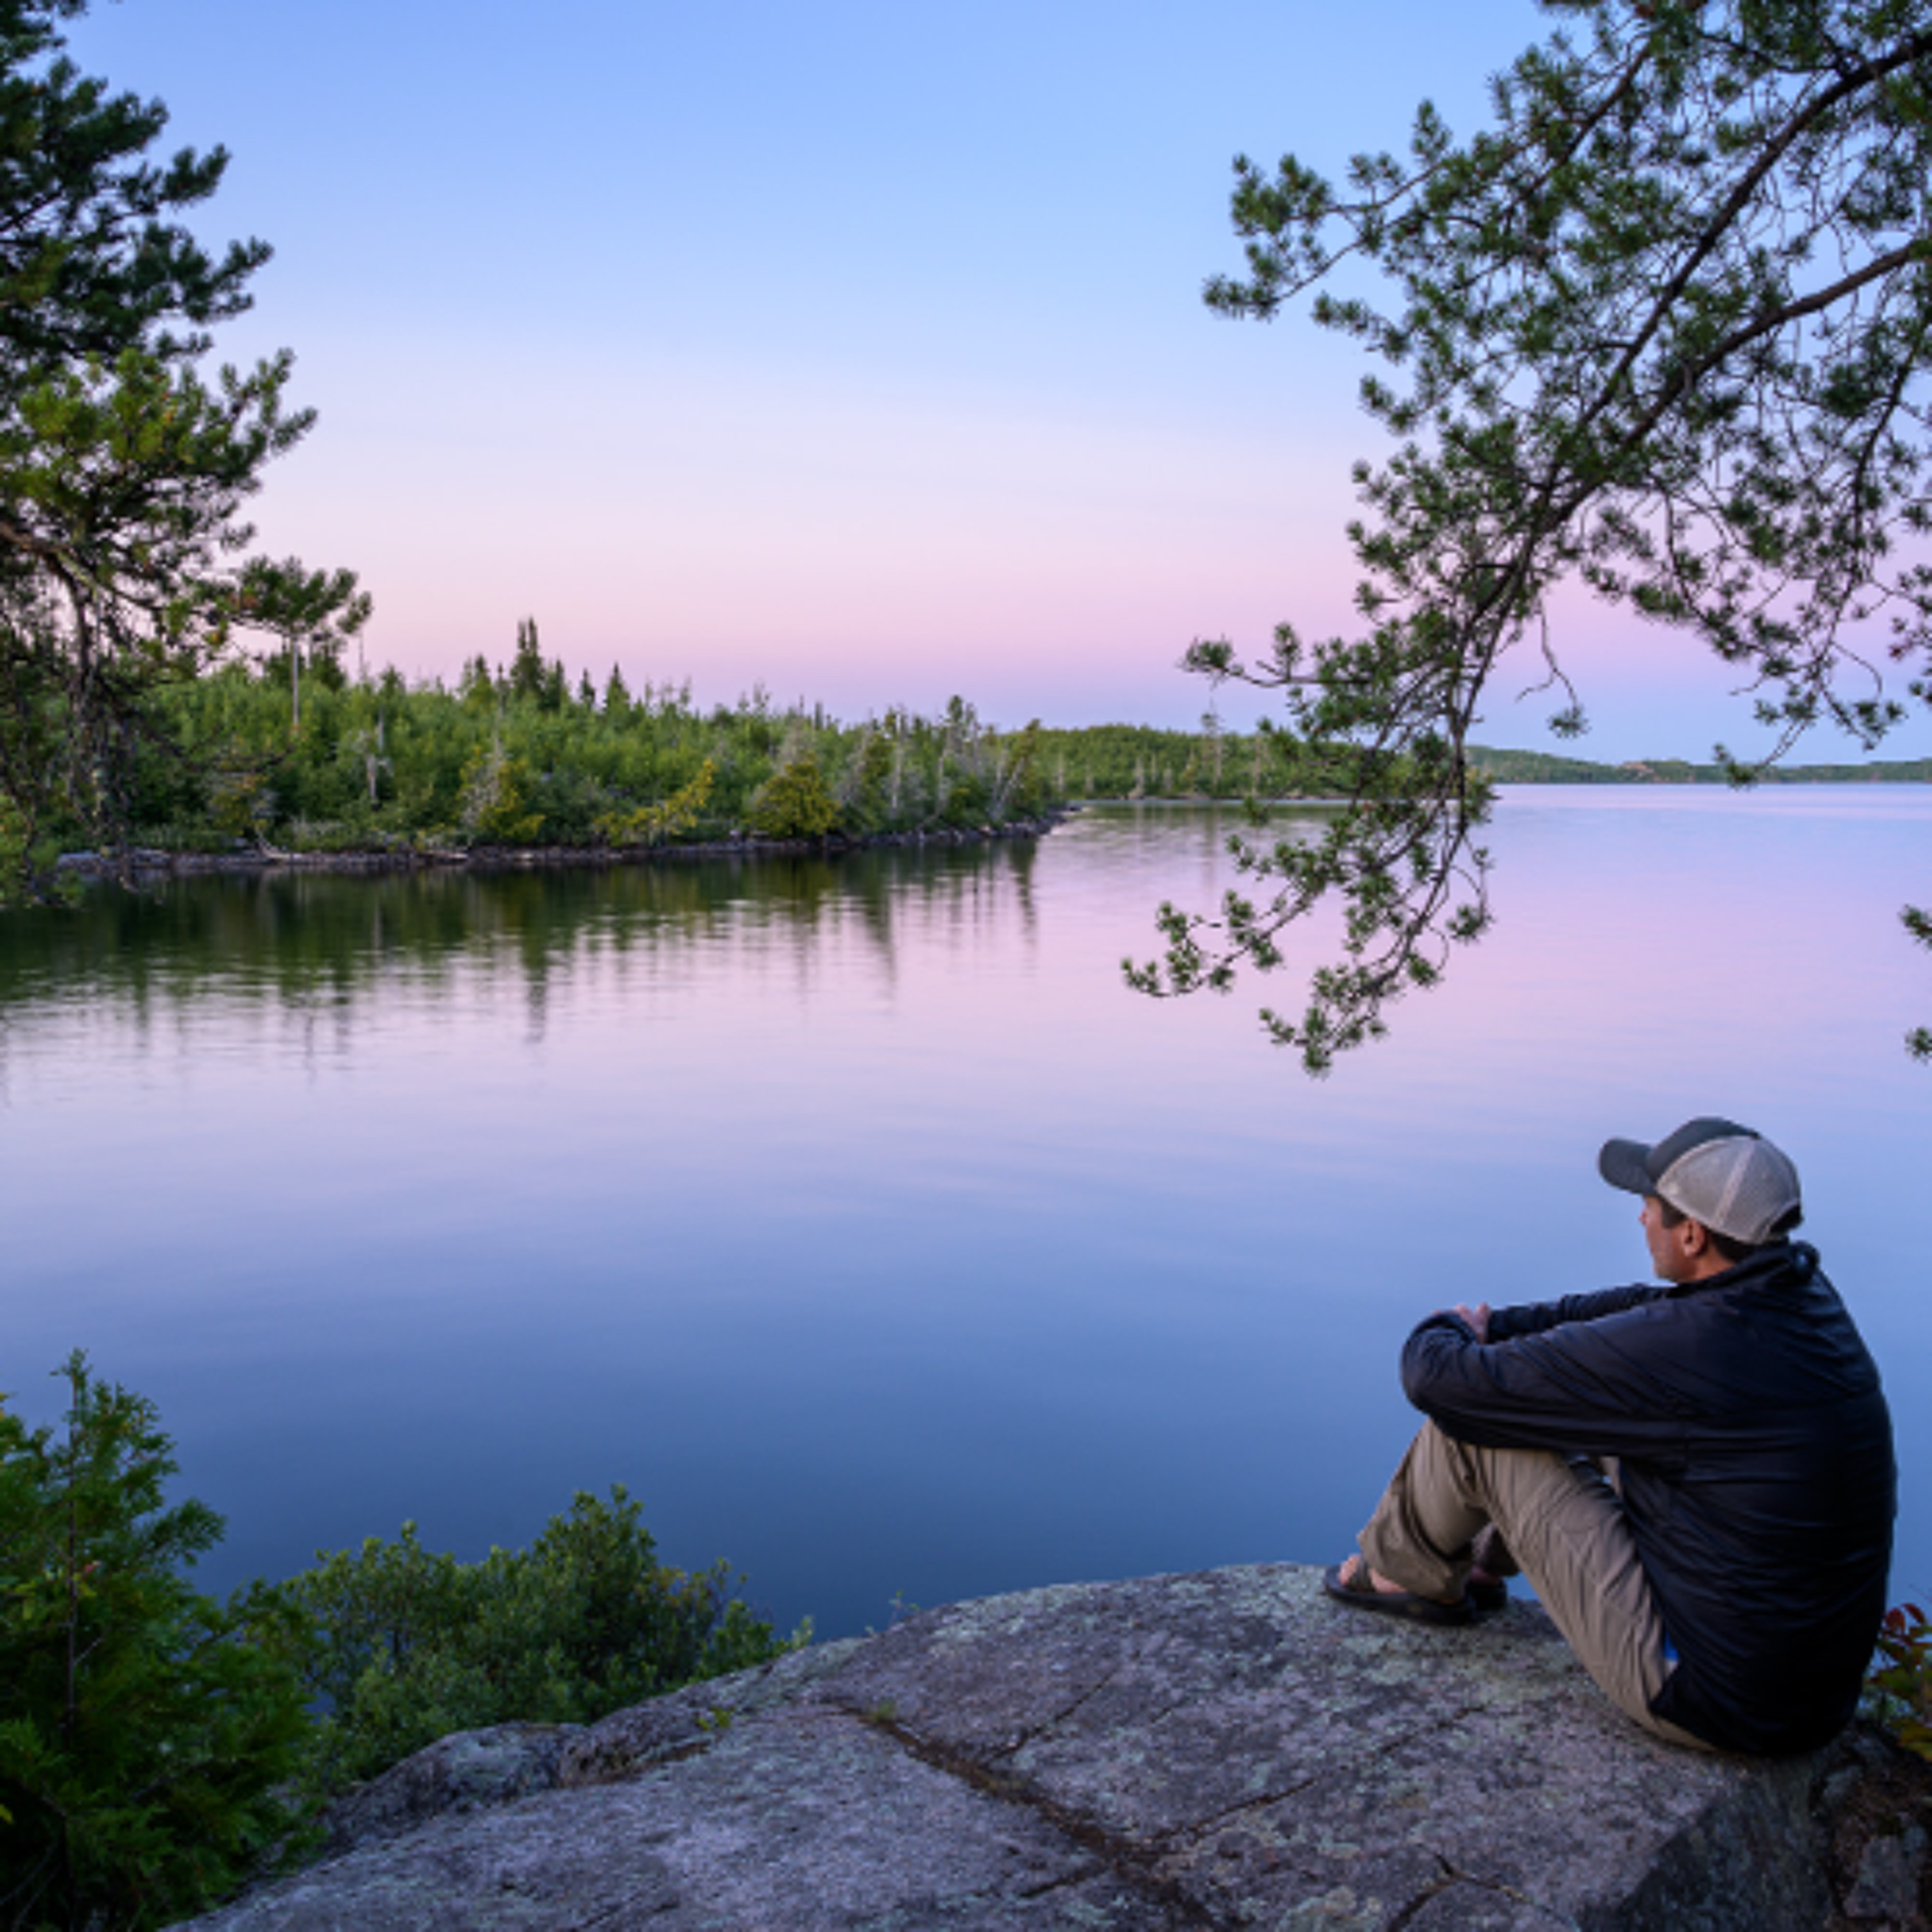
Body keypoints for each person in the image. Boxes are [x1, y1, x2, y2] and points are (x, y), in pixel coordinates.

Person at [1323, 1117, 1895, 1756]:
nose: (1641, 1217)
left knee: (1475, 1428)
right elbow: (1629, 1313)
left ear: (1691, 1232)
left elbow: (1440, 1383)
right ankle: (1485, 1564)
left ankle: (1404, 1572)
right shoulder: (1796, 1302)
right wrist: (1504, 1329)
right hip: (1807, 1702)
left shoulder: (1693, 1348)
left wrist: (1446, 1326)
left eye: (1650, 1205)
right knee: (1565, 1401)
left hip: (1710, 1699)